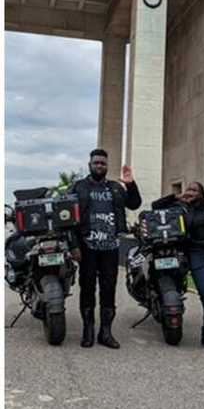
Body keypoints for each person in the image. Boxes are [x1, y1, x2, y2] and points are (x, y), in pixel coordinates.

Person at [68, 148, 141, 349]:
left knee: (108, 289)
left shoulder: (116, 188)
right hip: (87, 247)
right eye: (96, 163)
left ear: (107, 166)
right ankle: (88, 330)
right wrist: (74, 245)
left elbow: (135, 204)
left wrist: (131, 184)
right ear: (89, 165)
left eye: (103, 163)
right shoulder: (78, 187)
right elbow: (66, 218)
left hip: (111, 247)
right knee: (87, 287)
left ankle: (106, 332)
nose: (100, 166)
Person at [152, 182, 204, 352]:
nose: (190, 192)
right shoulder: (179, 207)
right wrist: (177, 196)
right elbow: (155, 206)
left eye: (194, 190)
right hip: (196, 253)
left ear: (201, 193)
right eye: (188, 189)